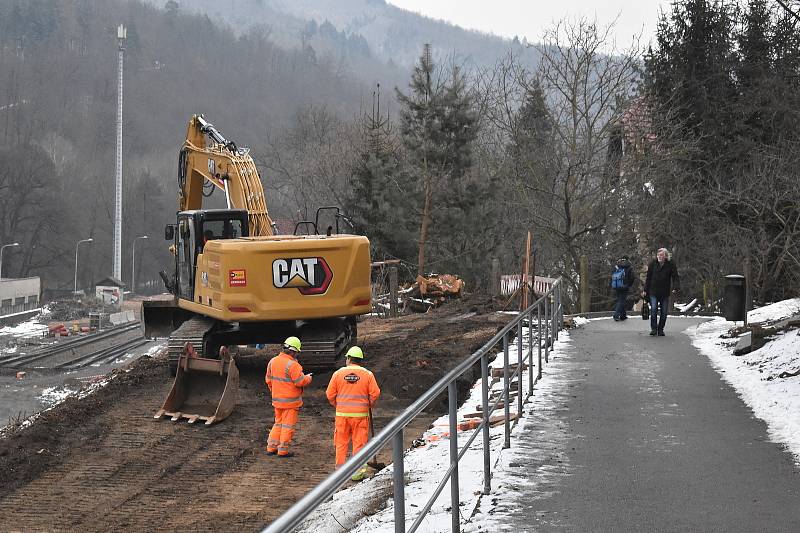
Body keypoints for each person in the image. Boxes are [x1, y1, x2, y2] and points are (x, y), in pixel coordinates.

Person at [326, 346, 381, 481]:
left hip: (342, 416)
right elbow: (375, 393)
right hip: (360, 417)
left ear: (349, 358)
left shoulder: (338, 374)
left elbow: (329, 394)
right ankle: (357, 473)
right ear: (360, 360)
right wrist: (368, 404)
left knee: (341, 443)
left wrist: (337, 405)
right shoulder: (367, 374)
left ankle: (339, 472)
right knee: (359, 444)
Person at [265, 336, 312, 457]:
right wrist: (308, 378)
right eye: (297, 352)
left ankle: (271, 447)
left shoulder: (272, 361)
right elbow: (300, 381)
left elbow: (269, 380)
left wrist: (275, 392)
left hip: (277, 401)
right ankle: (282, 450)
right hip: (290, 403)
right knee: (287, 426)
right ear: (293, 351)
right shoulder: (293, 365)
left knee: (278, 424)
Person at [642, 248, 680, 336]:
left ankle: (661, 329)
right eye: (658, 255)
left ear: (666, 256)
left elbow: (675, 277)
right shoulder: (653, 264)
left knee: (664, 312)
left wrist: (676, 287)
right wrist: (645, 290)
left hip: (664, 292)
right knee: (654, 309)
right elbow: (648, 278)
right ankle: (654, 329)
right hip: (653, 291)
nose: (659, 256)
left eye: (661, 255)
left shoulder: (670, 264)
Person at [610, 255, 635, 321]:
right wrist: (629, 284)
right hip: (625, 286)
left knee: (621, 300)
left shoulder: (617, 265)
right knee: (622, 301)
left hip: (617, 285)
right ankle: (616, 315)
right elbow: (632, 277)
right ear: (627, 259)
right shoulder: (629, 266)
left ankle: (623, 315)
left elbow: (612, 274)